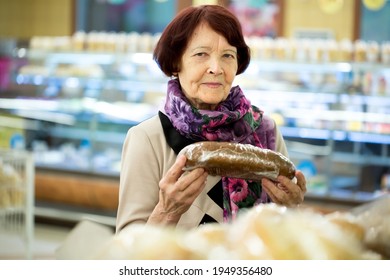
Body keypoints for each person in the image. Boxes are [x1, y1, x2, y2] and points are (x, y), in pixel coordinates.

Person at [116, 4, 306, 232]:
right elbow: (128, 247)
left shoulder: (265, 129)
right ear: (177, 62)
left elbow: (287, 236)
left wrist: (291, 210)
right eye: (201, 54)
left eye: (227, 55)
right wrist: (167, 211)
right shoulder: (147, 138)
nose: (216, 68)